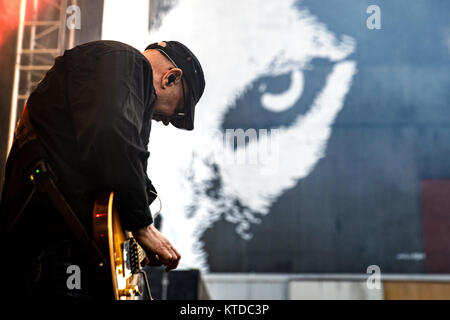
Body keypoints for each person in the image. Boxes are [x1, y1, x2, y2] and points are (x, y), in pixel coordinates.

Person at [0, 40, 205, 300]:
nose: (166, 121)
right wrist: (142, 225)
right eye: (177, 113)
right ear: (171, 78)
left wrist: (138, 229)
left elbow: (115, 153)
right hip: (48, 248)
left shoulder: (121, 77)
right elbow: (111, 137)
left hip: (56, 247)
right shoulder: (125, 60)